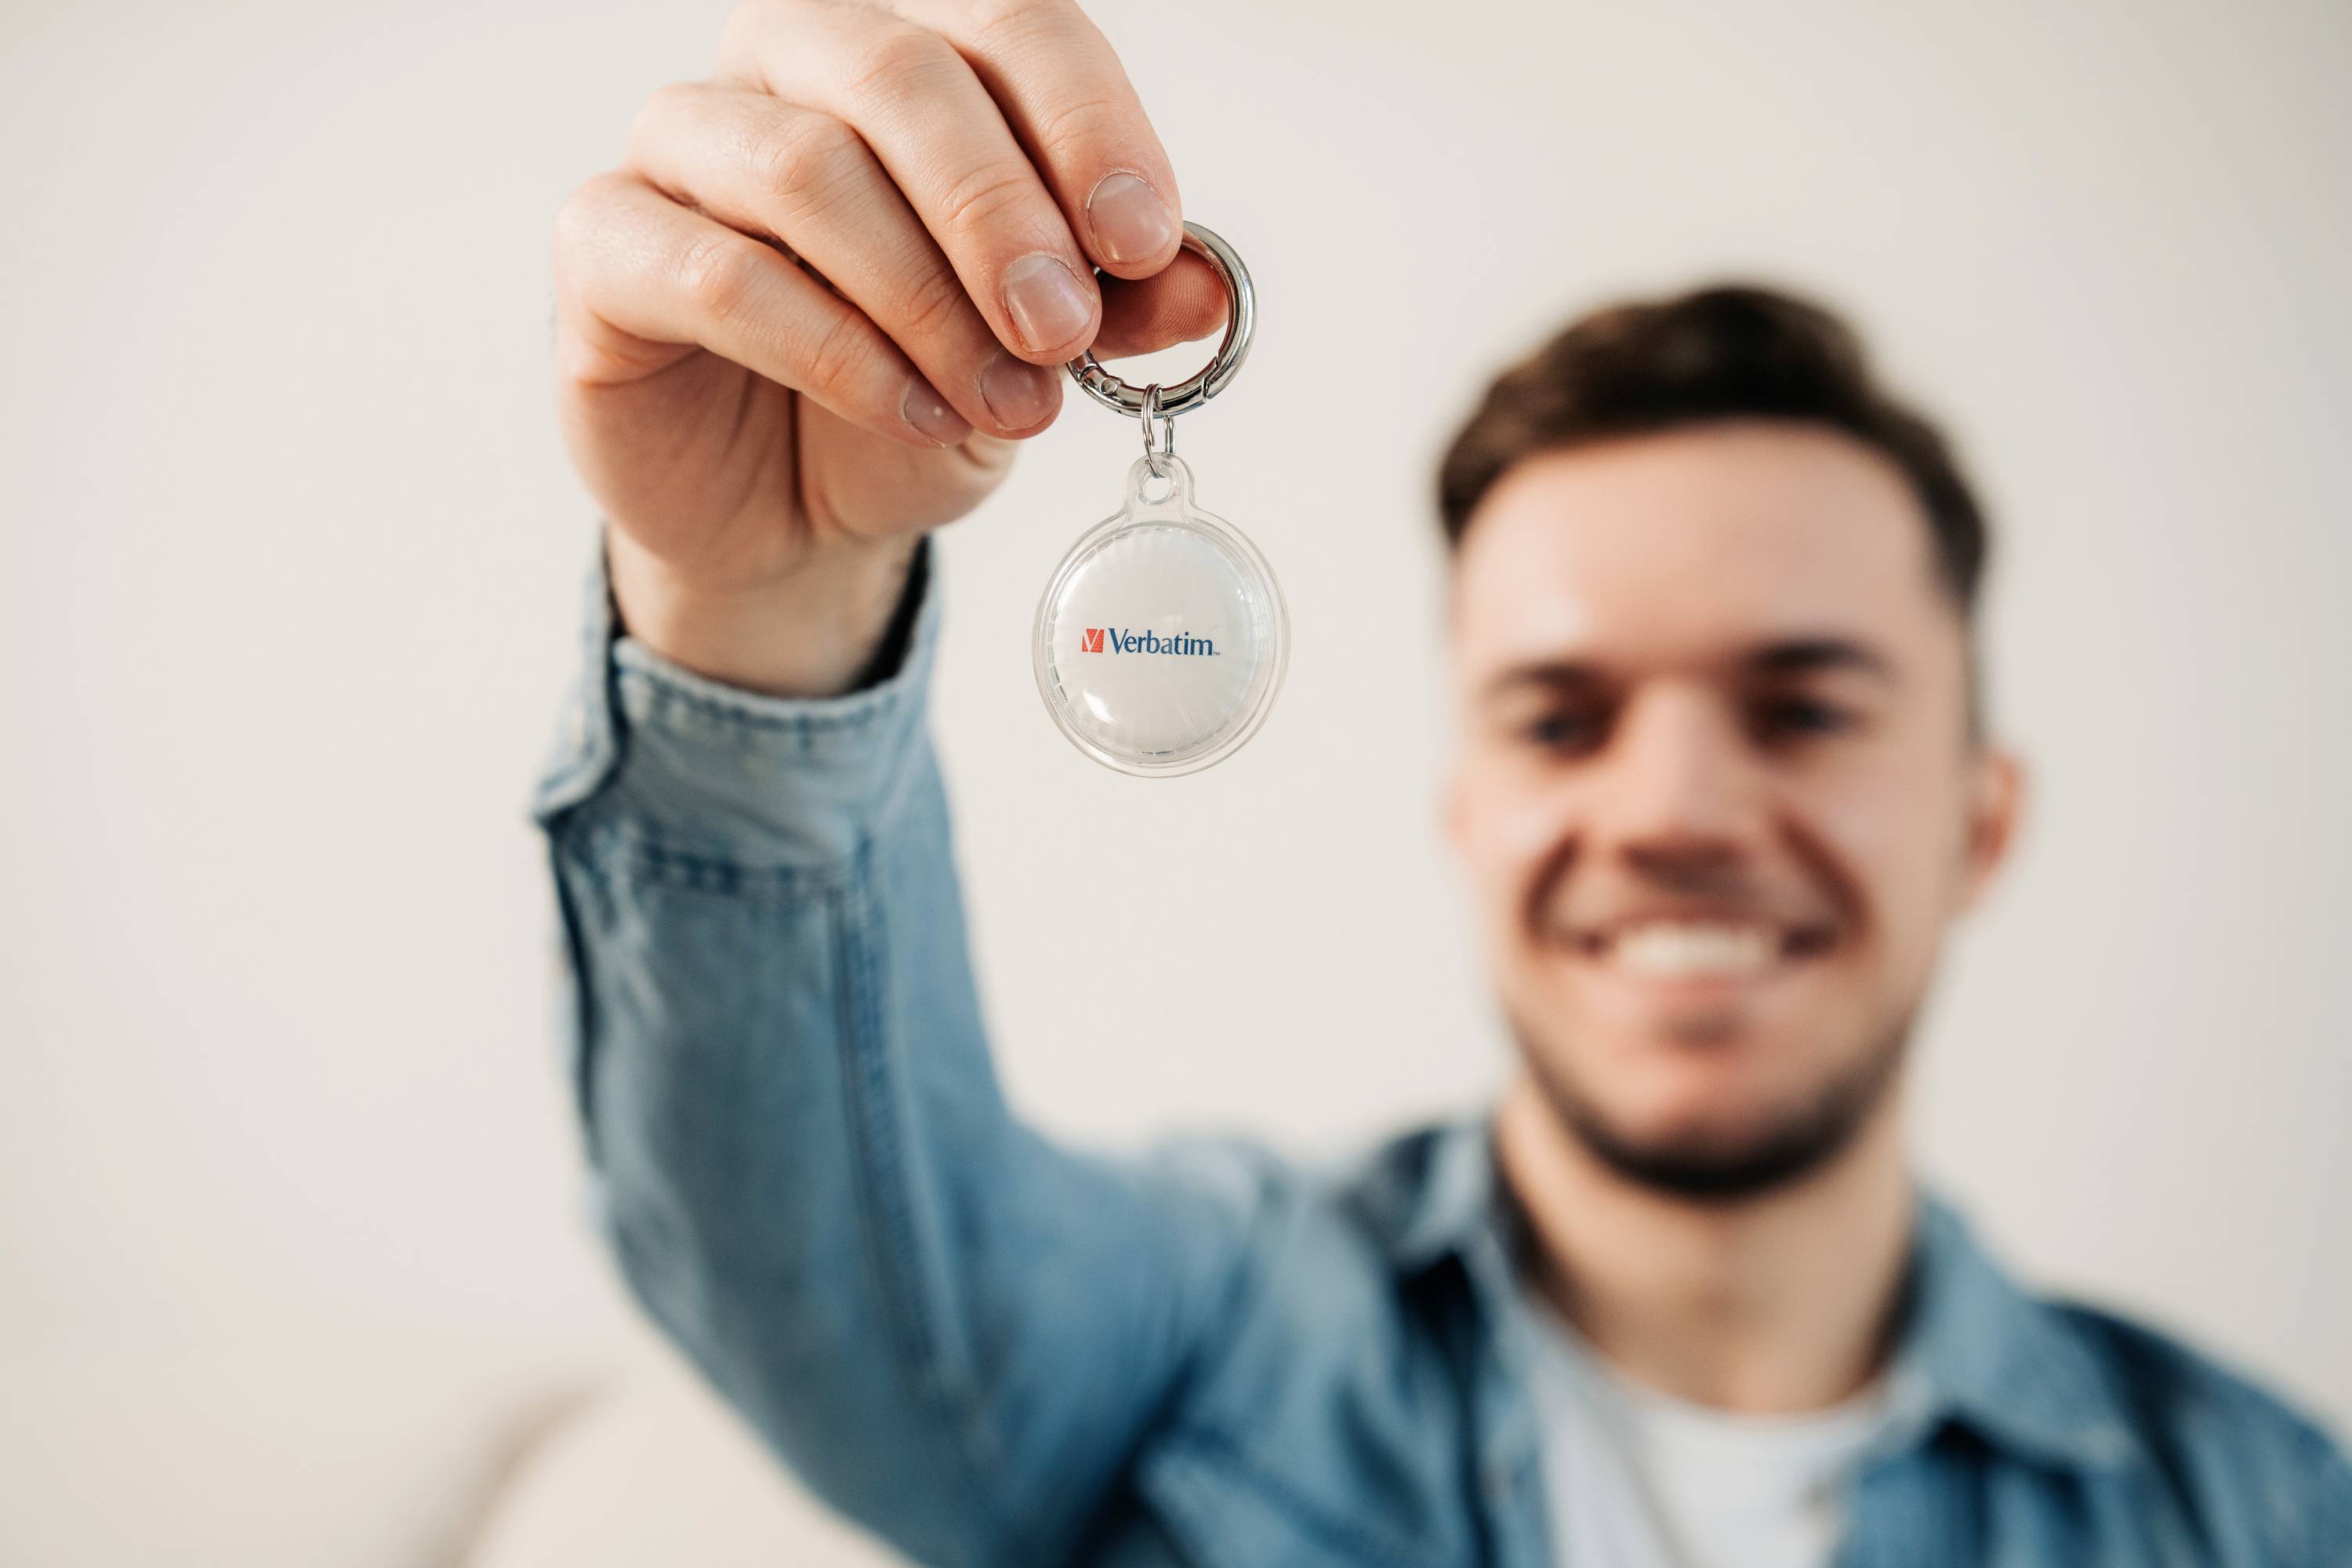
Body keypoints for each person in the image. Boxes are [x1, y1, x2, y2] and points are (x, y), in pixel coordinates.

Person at [535, 2, 2352, 1563]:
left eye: (1803, 708)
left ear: (1985, 818)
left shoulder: (2257, 1508)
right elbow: (827, 1277)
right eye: (1562, 717)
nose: (1671, 811)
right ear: (1463, 807)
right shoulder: (1197, 1346)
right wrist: (756, 617)